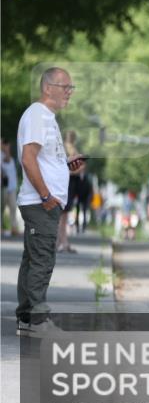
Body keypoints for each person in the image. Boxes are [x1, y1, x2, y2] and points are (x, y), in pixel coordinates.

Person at [15, 67, 86, 337]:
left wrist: (66, 166)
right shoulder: (37, 115)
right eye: (65, 86)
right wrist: (46, 196)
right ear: (48, 88)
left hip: (45, 201)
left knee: (33, 258)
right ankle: (38, 320)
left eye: (71, 87)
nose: (69, 92)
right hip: (40, 201)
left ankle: (26, 318)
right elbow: (28, 158)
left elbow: (43, 160)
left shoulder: (47, 119)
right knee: (43, 258)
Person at [56, 130, 84, 253]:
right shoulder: (67, 149)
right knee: (62, 215)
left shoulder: (67, 148)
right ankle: (62, 243)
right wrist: (72, 172)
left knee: (63, 215)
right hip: (67, 183)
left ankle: (62, 242)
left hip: (68, 183)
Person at [2, 138, 20, 236]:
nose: (6, 146)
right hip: (3, 187)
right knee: (1, 208)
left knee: (13, 207)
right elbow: (6, 160)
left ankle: (14, 227)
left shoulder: (11, 158)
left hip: (12, 187)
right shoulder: (1, 156)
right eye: (5, 144)